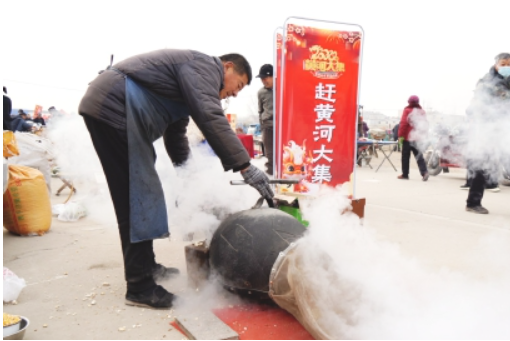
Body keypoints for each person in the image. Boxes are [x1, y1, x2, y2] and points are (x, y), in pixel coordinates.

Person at [79, 49, 273, 309]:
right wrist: (245, 167)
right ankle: (139, 286)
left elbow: (176, 137)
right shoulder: (204, 67)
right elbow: (210, 115)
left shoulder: (185, 83)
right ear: (227, 67)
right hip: (115, 107)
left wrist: (190, 179)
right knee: (135, 196)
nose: (236, 93)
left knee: (144, 192)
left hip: (117, 110)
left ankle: (147, 266)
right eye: (238, 85)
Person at [464, 52, 510, 214]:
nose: (506, 67)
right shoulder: (487, 82)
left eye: (509, 64)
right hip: (487, 129)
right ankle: (473, 203)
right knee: (483, 166)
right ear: (496, 64)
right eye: (503, 64)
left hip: (505, 130)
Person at [397, 95, 429, 181]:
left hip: (407, 138)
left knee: (405, 156)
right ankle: (424, 172)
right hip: (418, 138)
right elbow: (425, 125)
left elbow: (403, 124)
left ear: (409, 102)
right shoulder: (422, 112)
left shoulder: (407, 110)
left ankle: (405, 174)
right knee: (419, 156)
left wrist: (400, 136)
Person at [257, 64, 274, 175]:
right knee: (270, 155)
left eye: (265, 78)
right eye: (261, 79)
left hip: (283, 125)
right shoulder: (261, 92)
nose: (263, 81)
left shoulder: (284, 88)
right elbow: (260, 111)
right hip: (268, 125)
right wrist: (262, 125)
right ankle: (270, 179)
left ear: (273, 76)